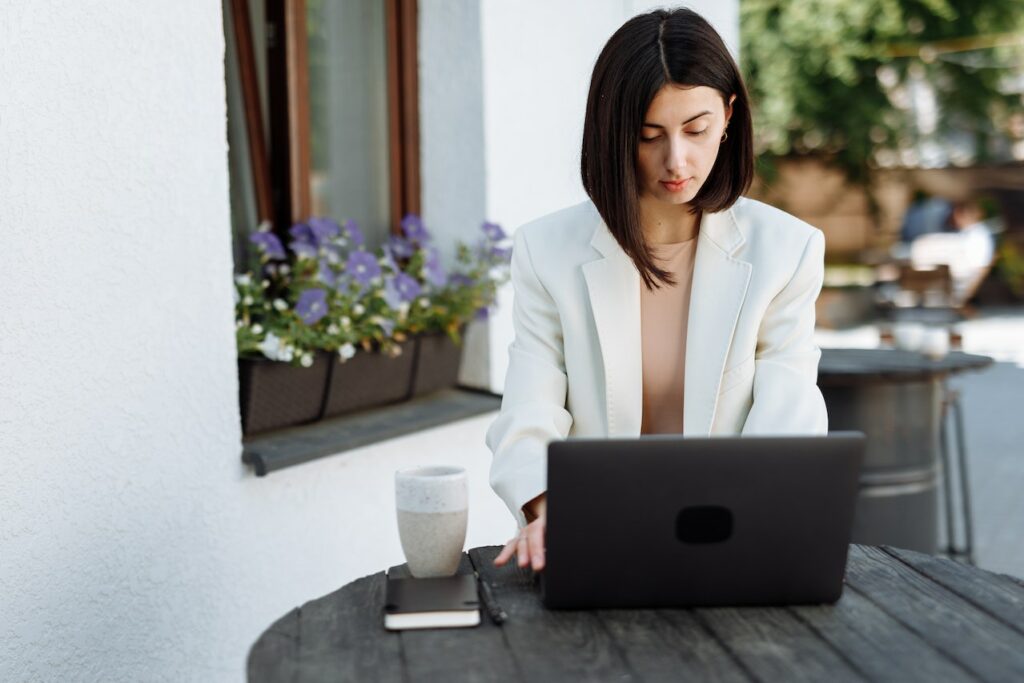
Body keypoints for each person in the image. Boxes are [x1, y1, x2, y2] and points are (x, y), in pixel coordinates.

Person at [488, 7, 828, 573]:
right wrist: (550, 511)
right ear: (613, 132)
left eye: (696, 130)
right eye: (649, 136)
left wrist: (745, 520)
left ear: (729, 115)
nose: (677, 160)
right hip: (592, 538)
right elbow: (529, 408)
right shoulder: (547, 250)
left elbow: (788, 416)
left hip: (735, 539)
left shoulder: (786, 251)